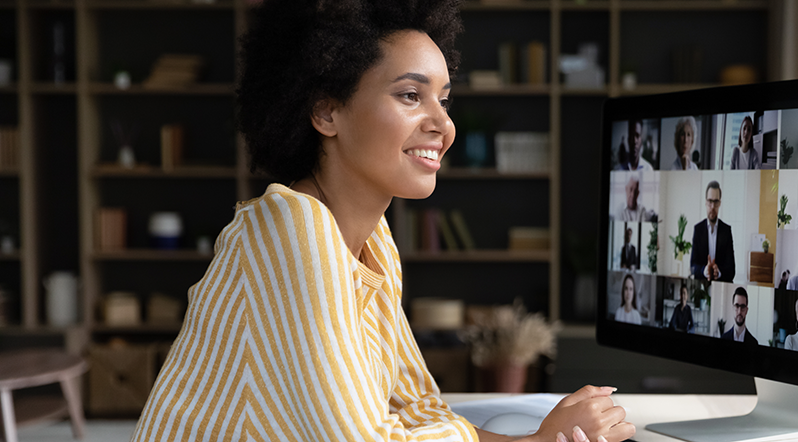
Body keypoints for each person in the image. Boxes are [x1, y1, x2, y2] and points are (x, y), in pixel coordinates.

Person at [133, 2, 634, 442]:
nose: (444, 124)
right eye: (411, 96)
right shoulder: (291, 227)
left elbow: (415, 406)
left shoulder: (373, 240)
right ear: (327, 113)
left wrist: (533, 439)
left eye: (444, 97)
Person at [690, 181, 735, 282]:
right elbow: (692, 266)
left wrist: (718, 272)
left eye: (716, 202)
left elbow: (731, 270)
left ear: (720, 203)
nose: (712, 207)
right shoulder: (698, 229)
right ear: (706, 202)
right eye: (710, 201)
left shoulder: (727, 231)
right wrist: (704, 270)